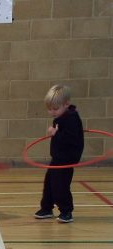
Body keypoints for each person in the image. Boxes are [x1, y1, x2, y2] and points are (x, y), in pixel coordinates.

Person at [34, 84, 84, 223]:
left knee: (60, 185)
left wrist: (56, 133)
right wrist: (56, 134)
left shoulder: (71, 118)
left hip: (67, 159)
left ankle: (66, 211)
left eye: (55, 109)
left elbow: (72, 139)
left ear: (66, 104)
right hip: (58, 157)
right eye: (49, 109)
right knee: (49, 183)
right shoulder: (62, 116)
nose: (52, 112)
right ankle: (46, 208)